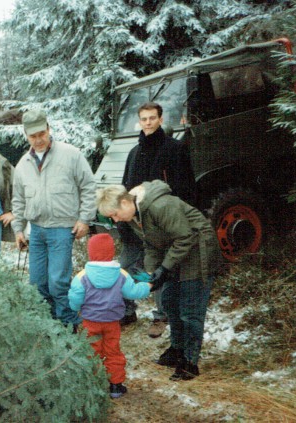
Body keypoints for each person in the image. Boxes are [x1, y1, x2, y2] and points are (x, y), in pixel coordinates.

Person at [97, 181, 221, 381]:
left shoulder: (160, 206)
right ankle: (177, 349)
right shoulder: (134, 216)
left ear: (125, 203)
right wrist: (152, 272)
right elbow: (151, 244)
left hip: (197, 250)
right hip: (176, 251)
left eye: (114, 214)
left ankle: (190, 361)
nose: (115, 219)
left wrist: (165, 268)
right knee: (170, 302)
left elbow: (185, 237)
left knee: (190, 310)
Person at [12, 109, 96, 329]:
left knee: (58, 281)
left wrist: (85, 218)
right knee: (38, 283)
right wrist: (18, 230)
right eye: (33, 136)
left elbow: (88, 187)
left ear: (49, 129)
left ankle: (68, 324)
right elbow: (18, 200)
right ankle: (48, 325)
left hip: (62, 229)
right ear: (26, 135)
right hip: (36, 230)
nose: (38, 140)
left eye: (42, 133)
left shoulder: (71, 154)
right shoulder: (22, 165)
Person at [118, 102, 196, 337]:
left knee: (159, 270)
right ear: (139, 121)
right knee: (126, 267)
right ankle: (126, 311)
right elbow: (126, 187)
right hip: (134, 225)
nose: (148, 122)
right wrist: (124, 222)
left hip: (161, 225)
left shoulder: (174, 149)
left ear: (161, 120)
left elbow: (186, 189)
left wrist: (178, 220)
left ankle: (161, 316)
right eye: (144, 118)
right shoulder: (134, 152)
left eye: (152, 118)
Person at [68, 233, 156, 398]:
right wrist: (148, 286)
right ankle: (115, 385)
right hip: (112, 322)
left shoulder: (82, 276)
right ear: (112, 252)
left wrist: (75, 309)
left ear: (90, 252)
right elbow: (133, 292)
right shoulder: (121, 274)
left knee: (91, 351)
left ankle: (93, 384)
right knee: (113, 351)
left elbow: (74, 298)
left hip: (90, 322)